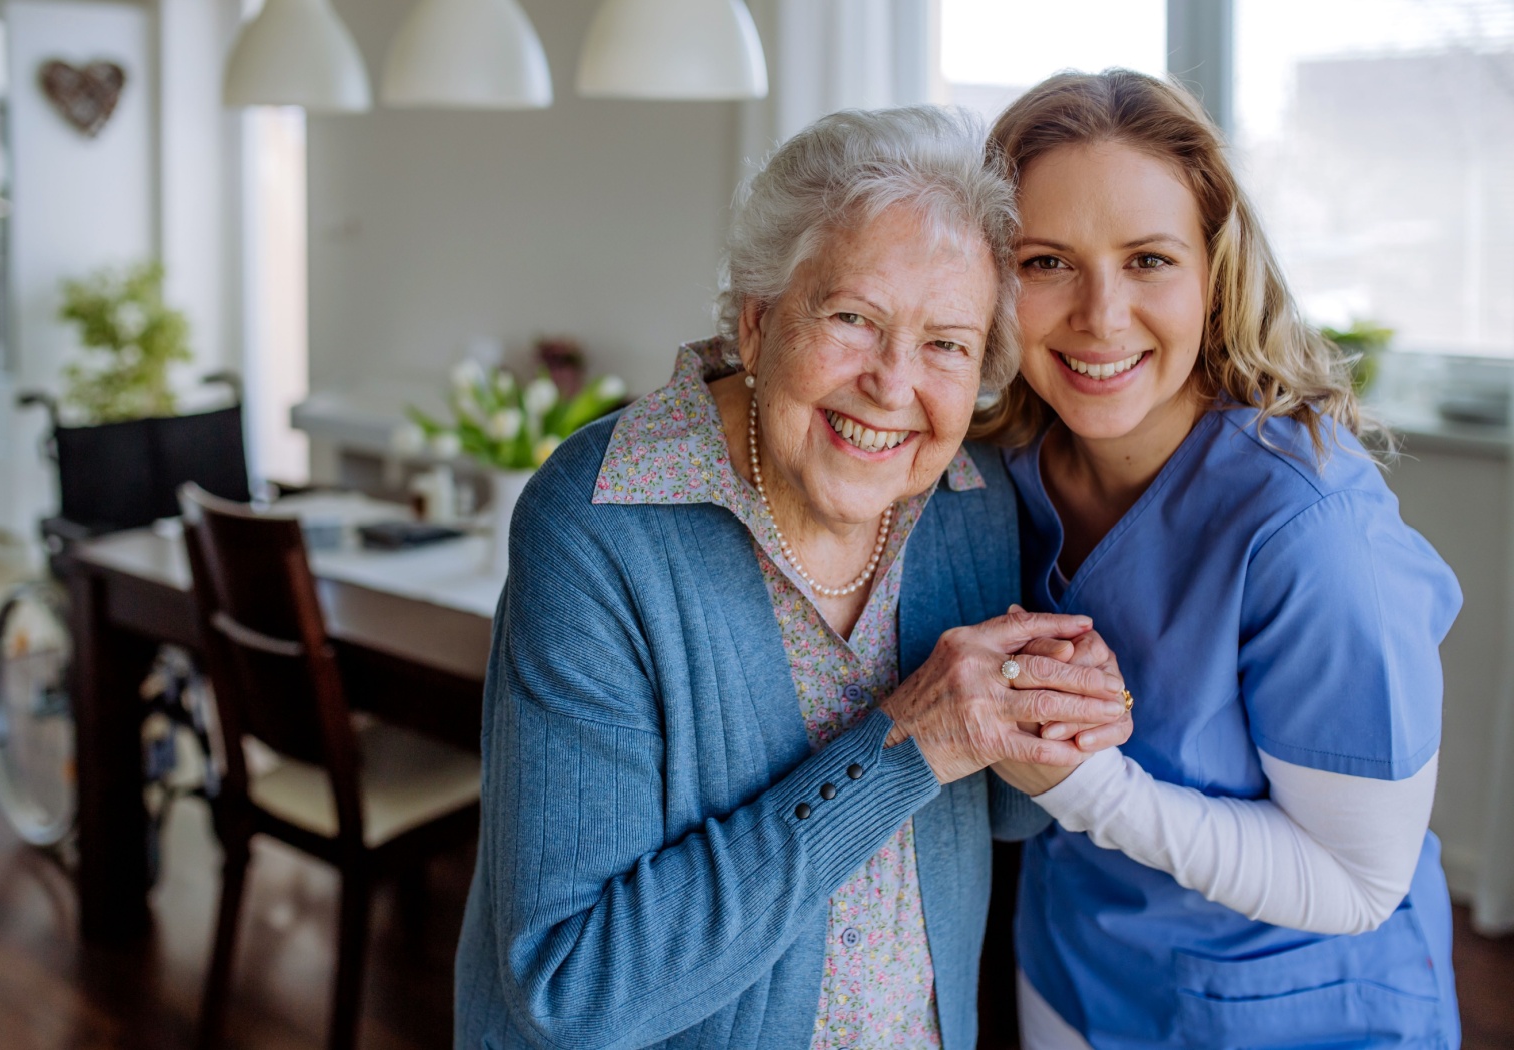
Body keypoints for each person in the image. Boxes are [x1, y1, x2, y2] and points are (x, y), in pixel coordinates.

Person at [454, 106, 1133, 1049]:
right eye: (854, 318)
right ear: (760, 318)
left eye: (947, 343)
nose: (894, 385)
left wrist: (1051, 706)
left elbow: (1004, 817)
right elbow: (573, 986)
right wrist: (909, 742)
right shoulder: (601, 524)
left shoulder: (970, 498)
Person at [976, 70, 1463, 1049]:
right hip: (1074, 968)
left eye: (1148, 259)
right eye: (1044, 262)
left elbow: (1358, 882)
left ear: (1214, 270)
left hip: (1294, 1007)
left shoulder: (1312, 533)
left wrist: (1079, 785)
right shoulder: (999, 473)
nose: (1101, 317)